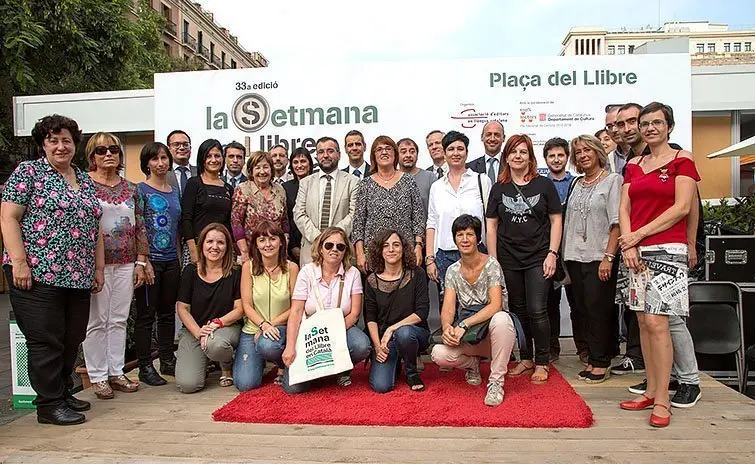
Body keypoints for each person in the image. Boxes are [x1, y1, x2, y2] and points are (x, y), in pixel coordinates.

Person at [1, 114, 104, 425]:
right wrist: (19, 262)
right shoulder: (29, 172)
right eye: (54, 140)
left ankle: (62, 392)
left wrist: (97, 267)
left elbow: (94, 224)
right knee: (46, 339)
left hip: (78, 274)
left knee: (72, 336)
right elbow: (8, 218)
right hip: (37, 273)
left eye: (67, 141)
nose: (61, 147)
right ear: (43, 144)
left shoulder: (84, 178)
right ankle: (48, 405)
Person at [617, 102, 701, 427]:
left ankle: (664, 398)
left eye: (657, 122)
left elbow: (682, 208)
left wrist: (637, 235)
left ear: (669, 126)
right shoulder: (634, 163)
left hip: (668, 248)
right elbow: (624, 207)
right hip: (635, 250)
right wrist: (629, 242)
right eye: (645, 123)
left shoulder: (683, 159)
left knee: (658, 323)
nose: (650, 128)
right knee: (641, 321)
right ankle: (650, 390)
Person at [486, 134, 562, 384]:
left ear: (530, 156)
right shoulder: (499, 188)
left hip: (539, 257)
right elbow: (492, 226)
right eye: (513, 152)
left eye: (523, 152)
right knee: (517, 311)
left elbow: (556, 220)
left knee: (537, 309)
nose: (517, 156)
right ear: (506, 157)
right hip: (508, 258)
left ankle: (542, 361)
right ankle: (526, 358)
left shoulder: (544, 185)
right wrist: (494, 260)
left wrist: (552, 253)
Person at [82, 132, 148, 400]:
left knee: (119, 318)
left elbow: (141, 226)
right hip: (96, 263)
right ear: (92, 157)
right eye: (101, 151)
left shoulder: (132, 189)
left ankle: (116, 371)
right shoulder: (84, 185)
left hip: (125, 262)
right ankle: (97, 376)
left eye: (113, 150)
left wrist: (141, 261)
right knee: (95, 320)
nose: (108, 154)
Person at [431, 215, 517, 406]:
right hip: (470, 337)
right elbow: (448, 308)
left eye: (470, 234)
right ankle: (472, 366)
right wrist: (447, 328)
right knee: (438, 353)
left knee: (501, 319)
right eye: (460, 234)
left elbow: (495, 305)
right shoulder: (452, 271)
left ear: (478, 238)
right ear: (454, 239)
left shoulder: (491, 265)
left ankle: (496, 382)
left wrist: (463, 324)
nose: (464, 239)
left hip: (494, 336)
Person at [281, 227, 371, 392]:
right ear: (320, 248)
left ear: (345, 251)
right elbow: (296, 311)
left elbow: (355, 313)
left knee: (362, 345)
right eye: (329, 245)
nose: (335, 250)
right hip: (311, 332)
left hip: (341, 327)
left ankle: (341, 370)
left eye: (340, 247)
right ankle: (320, 371)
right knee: (293, 389)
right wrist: (290, 346)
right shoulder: (306, 272)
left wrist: (331, 334)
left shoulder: (353, 274)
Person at [563, 135, 621, 384]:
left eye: (587, 150)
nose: (583, 155)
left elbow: (616, 222)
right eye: (578, 152)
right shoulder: (576, 183)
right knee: (583, 309)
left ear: (598, 152)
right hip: (575, 257)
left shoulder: (612, 181)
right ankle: (593, 357)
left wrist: (609, 257)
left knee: (600, 310)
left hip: (600, 256)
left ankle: (601, 362)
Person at [175, 223, 243, 393]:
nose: (214, 247)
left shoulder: (236, 272)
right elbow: (182, 308)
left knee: (216, 345)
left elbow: (239, 309)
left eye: (220, 242)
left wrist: (217, 323)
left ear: (227, 247)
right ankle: (205, 360)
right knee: (188, 385)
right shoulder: (190, 271)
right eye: (209, 241)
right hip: (195, 330)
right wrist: (199, 332)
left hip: (226, 327)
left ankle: (225, 363)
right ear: (202, 245)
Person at [135, 142, 181, 385]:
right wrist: (143, 261)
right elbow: (138, 226)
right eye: (155, 159)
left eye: (164, 158)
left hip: (171, 261)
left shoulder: (174, 192)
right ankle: (144, 366)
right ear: (147, 163)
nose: (161, 163)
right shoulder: (140, 190)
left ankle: (167, 359)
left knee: (166, 313)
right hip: (149, 261)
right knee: (145, 315)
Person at [426, 131, 491, 302]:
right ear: (445, 153)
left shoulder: (481, 181)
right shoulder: (436, 187)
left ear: (467, 153)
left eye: (460, 149)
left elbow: (491, 223)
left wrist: (492, 257)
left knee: (480, 304)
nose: (456, 153)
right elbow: (431, 222)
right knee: (448, 307)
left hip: (477, 254)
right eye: (451, 149)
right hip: (445, 256)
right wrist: (430, 259)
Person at [233, 221, 299, 391]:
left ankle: (279, 363)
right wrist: (262, 325)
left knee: (268, 345)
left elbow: (296, 306)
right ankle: (259, 360)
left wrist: (271, 324)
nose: (268, 244)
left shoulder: (291, 268)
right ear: (255, 244)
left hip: (282, 329)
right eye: (262, 240)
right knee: (245, 384)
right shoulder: (248, 267)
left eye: (272, 239)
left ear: (281, 242)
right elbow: (246, 305)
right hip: (253, 330)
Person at [365, 230, 430, 393]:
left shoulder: (417, 274)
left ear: (403, 249)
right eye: (386, 246)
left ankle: (411, 372)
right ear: (380, 251)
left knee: (404, 333)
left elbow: (422, 312)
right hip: (386, 341)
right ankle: (396, 363)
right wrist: (378, 346)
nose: (391, 249)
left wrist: (392, 328)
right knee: (381, 386)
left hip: (414, 334)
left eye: (396, 245)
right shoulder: (372, 280)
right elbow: (370, 317)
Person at [353, 135, 425, 273]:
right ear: (373, 156)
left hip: (405, 252)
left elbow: (418, 216)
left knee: (406, 292)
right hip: (374, 254)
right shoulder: (365, 184)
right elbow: (358, 223)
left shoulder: (408, 181)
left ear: (395, 154)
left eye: (388, 148)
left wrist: (418, 246)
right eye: (379, 149)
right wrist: (360, 253)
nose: (384, 152)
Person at [542, 137, 580, 363]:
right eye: (551, 156)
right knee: (550, 302)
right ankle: (552, 347)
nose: (556, 160)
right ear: (545, 159)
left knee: (578, 302)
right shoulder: (541, 184)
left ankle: (582, 347)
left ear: (567, 157)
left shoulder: (577, 183)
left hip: (574, 249)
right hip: (549, 250)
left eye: (560, 155)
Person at [293, 137, 359, 266]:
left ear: (339, 155)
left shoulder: (353, 181)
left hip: (341, 252)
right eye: (321, 152)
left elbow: (354, 214)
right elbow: (298, 213)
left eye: (330, 151)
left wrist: (332, 238)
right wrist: (319, 239)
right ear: (317, 156)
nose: (326, 155)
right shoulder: (305, 182)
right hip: (311, 251)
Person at [180, 139, 234, 266]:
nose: (213, 160)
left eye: (217, 156)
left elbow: (228, 222)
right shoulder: (194, 183)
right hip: (196, 247)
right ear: (202, 160)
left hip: (220, 249)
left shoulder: (228, 188)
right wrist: (193, 250)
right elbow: (186, 218)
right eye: (208, 156)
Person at [231, 151, 289, 262]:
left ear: (271, 170)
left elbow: (285, 221)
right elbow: (236, 222)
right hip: (250, 253)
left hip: (276, 253)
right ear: (251, 171)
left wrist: (284, 246)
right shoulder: (243, 189)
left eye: (266, 167)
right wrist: (244, 252)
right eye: (257, 168)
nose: (262, 172)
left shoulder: (280, 190)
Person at [282, 147, 314, 263]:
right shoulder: (285, 188)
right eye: (295, 162)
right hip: (293, 245)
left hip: (315, 240)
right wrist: (293, 246)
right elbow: (286, 218)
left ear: (310, 164)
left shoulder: (318, 185)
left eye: (303, 161)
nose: (299, 165)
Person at [397, 137, 436, 215]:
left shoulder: (430, 177)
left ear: (417, 155)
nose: (408, 155)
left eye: (412, 152)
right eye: (403, 152)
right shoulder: (389, 179)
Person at [166, 130, 196, 198]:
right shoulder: (162, 174)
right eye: (176, 144)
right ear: (168, 149)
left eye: (185, 144)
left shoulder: (200, 172)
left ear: (190, 148)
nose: (182, 148)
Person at [604, 106, 629, 174]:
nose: (614, 130)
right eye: (609, 126)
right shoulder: (609, 159)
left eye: (618, 124)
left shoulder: (652, 153)